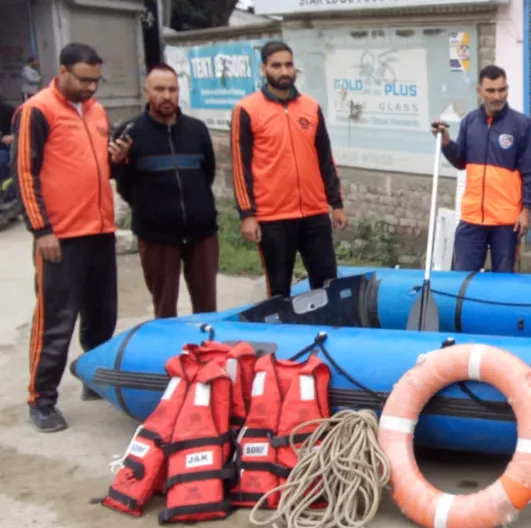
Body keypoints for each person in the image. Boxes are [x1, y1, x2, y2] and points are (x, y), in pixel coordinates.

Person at [11, 43, 122, 432]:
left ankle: (93, 377)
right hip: (60, 236)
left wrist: (115, 159)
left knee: (102, 313)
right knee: (56, 319)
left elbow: (94, 166)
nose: (91, 88)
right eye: (83, 80)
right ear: (62, 71)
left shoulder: (97, 111)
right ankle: (41, 399)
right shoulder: (37, 110)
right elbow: (25, 172)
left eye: (96, 80)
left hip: (100, 230)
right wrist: (41, 230)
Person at [231, 41, 347, 298]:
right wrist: (247, 214)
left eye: (288, 64)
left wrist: (335, 203)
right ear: (263, 69)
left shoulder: (311, 107)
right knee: (279, 289)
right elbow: (240, 166)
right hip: (273, 217)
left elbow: (325, 158)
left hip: (314, 212)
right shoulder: (247, 110)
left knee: (328, 283)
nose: (284, 71)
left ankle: (328, 332)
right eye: (276, 66)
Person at [110, 63, 219, 319]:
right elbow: (124, 185)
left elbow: (208, 174)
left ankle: (206, 356)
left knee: (207, 311)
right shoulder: (130, 133)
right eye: (159, 89)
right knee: (164, 309)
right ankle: (169, 358)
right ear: (147, 92)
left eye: (172, 89)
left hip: (201, 234)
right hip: (157, 236)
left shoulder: (197, 130)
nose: (167, 95)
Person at [431, 64, 531, 273]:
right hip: (472, 218)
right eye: (491, 91)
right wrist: (446, 143)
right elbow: (460, 161)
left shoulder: (522, 125)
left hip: (506, 221)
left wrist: (526, 211)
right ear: (479, 91)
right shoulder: (469, 122)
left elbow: (530, 171)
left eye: (502, 90)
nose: (497, 96)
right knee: (463, 280)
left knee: (502, 285)